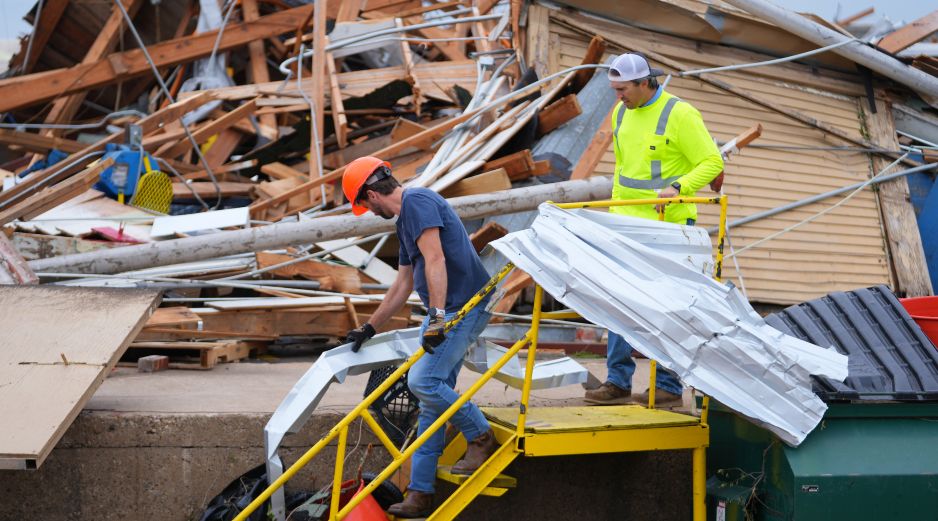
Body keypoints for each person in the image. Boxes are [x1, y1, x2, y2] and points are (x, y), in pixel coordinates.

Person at [342, 156, 496, 518]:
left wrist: (438, 319)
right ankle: (420, 492)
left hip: (465, 307)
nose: (366, 209)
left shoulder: (420, 203)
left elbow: (437, 259)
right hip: (448, 310)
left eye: (362, 203)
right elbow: (404, 283)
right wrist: (370, 327)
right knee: (432, 402)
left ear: (370, 194)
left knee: (423, 380)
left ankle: (480, 435)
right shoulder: (406, 220)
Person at [584, 53, 724, 407]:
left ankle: (667, 386)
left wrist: (679, 188)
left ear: (646, 82)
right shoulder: (621, 112)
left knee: (665, 307)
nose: (618, 96)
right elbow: (623, 172)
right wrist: (612, 215)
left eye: (623, 89)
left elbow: (712, 162)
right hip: (628, 223)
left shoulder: (681, 114)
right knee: (617, 300)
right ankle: (617, 381)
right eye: (614, 89)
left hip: (670, 226)